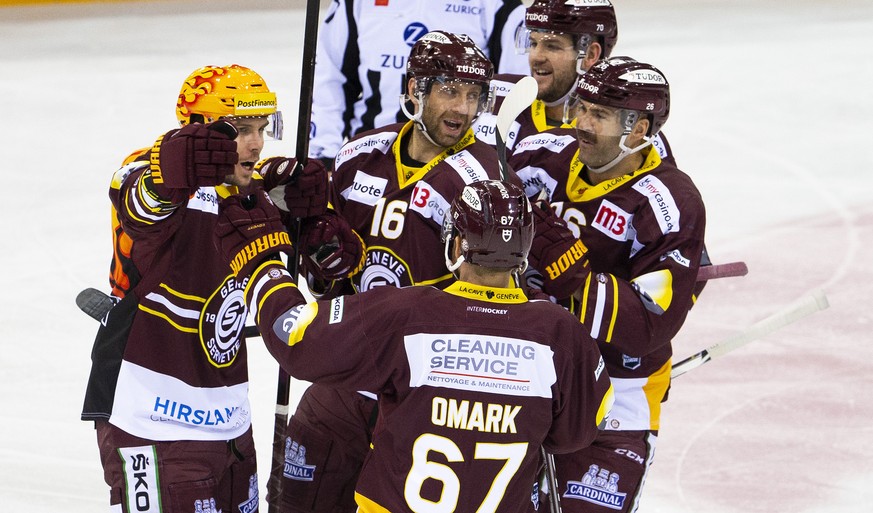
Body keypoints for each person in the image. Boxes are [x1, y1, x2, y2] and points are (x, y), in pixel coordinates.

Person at [212, 179, 616, 513]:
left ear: (457, 246)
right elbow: (578, 432)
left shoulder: (409, 314)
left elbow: (294, 336)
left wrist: (263, 264)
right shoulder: (560, 332)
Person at [274, 31, 521, 513]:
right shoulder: (359, 154)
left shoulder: (484, 181)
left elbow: (493, 298)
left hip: (421, 391)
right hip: (343, 373)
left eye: (474, 95)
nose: (462, 108)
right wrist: (322, 259)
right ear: (414, 89)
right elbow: (327, 278)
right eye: (450, 90)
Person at [80, 64, 327, 513]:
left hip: (229, 418)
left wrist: (299, 215)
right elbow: (140, 200)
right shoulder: (149, 171)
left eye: (261, 128)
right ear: (198, 130)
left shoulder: (251, 189)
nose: (255, 143)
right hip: (151, 419)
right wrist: (168, 174)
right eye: (238, 130)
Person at [509, 57, 707, 512]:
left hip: (618, 395)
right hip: (527, 376)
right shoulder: (543, 157)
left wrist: (575, 278)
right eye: (581, 107)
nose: (580, 122)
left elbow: (649, 323)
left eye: (598, 115)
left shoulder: (670, 202)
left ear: (638, 129)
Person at [308, 0, 529, 168]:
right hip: (371, 161)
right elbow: (330, 81)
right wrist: (324, 159)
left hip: (460, 165)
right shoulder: (355, 3)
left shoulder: (497, 5)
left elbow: (514, 92)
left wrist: (493, 166)